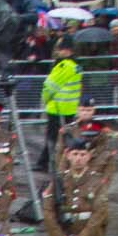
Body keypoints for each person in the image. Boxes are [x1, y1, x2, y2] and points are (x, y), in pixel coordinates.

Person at [38, 40, 80, 168]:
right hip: (70, 107)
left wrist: (45, 99)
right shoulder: (75, 65)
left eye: (60, 49)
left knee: (52, 137)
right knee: (66, 136)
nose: (58, 52)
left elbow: (51, 86)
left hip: (57, 107)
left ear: (67, 50)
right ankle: (68, 162)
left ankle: (46, 163)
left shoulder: (64, 65)